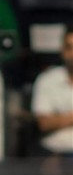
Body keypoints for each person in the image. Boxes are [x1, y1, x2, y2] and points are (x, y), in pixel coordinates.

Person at [30, 25, 73, 156]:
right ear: (62, 51)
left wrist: (60, 119)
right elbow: (44, 123)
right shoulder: (47, 79)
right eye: (69, 48)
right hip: (55, 152)